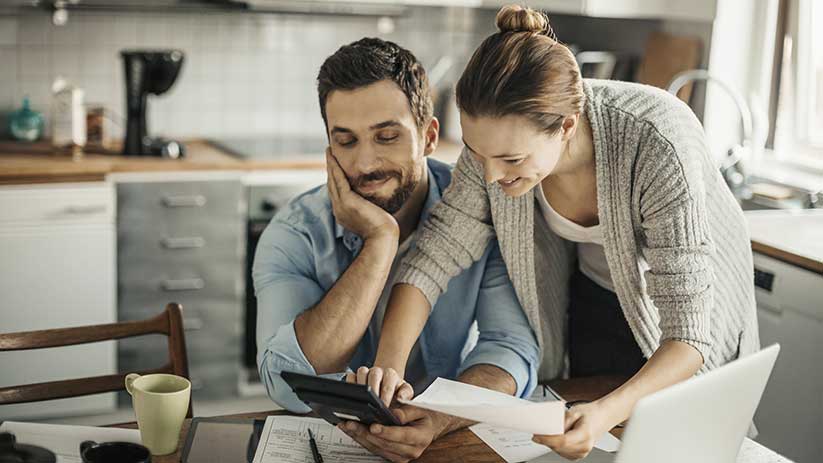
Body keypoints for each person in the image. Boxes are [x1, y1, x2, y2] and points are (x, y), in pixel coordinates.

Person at [357, 5, 760, 460]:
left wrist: (604, 413)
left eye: (510, 161)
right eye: (476, 153)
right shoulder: (495, 145)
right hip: (594, 300)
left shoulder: (656, 140)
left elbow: (689, 337)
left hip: (687, 325)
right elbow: (437, 253)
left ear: (566, 126)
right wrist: (387, 368)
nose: (489, 177)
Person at [252, 37, 540, 462]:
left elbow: (510, 350)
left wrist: (440, 416)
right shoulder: (295, 233)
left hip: (447, 436)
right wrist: (380, 242)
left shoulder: (482, 213)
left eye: (386, 136)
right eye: (346, 141)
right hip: (337, 446)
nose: (366, 163)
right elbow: (286, 382)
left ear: (428, 137)